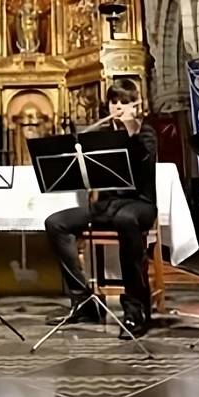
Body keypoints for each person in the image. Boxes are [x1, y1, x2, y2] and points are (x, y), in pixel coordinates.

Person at [44, 79, 158, 338]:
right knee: (55, 223)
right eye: (114, 102)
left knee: (126, 219)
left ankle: (135, 307)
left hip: (140, 204)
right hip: (107, 206)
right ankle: (83, 301)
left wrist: (133, 133)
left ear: (135, 105)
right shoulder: (103, 135)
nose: (118, 107)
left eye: (124, 102)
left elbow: (146, 167)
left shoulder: (146, 132)